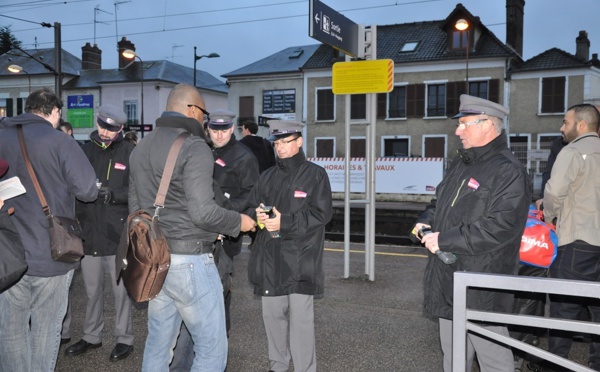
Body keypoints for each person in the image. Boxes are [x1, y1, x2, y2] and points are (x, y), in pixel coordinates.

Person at [128, 83, 256, 371]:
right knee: (212, 348)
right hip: (190, 262)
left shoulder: (141, 147)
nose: (205, 121)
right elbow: (203, 213)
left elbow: (135, 211)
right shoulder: (194, 146)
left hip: (156, 261)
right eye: (204, 113)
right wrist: (240, 222)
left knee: (158, 345)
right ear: (191, 109)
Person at [413, 94, 531, 372]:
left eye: (464, 124)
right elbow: (438, 204)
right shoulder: (461, 163)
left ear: (488, 125)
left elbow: (500, 227)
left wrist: (444, 239)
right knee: (453, 355)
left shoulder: (508, 171)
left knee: (493, 357)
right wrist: (423, 223)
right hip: (448, 275)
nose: (457, 131)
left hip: (481, 280)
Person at [0, 88, 98, 371]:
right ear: (55, 112)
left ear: (28, 109)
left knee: (11, 329)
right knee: (45, 328)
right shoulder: (60, 141)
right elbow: (88, 190)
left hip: (8, 252)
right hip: (52, 254)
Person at [170, 109, 260, 371]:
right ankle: (205, 354)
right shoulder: (201, 150)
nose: (219, 134)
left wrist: (226, 210)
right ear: (207, 128)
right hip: (197, 235)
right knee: (199, 302)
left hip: (222, 240)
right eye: (214, 129)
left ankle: (211, 353)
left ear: (232, 129)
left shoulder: (244, 157)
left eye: (224, 129)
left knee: (214, 301)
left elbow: (252, 199)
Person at [244, 120, 333, 372]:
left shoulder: (315, 174)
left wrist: (285, 222)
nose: (280, 148)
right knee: (272, 318)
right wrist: (257, 217)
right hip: (270, 259)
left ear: (299, 142)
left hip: (300, 261)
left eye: (286, 142)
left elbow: (322, 214)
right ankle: (278, 365)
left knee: (301, 322)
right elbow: (251, 206)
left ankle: (305, 368)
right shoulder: (267, 176)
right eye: (277, 143)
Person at [63, 106, 135, 362]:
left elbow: (138, 191)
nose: (105, 132)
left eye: (112, 129)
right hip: (90, 230)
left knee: (121, 292)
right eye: (103, 126)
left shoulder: (129, 153)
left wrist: (115, 195)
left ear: (121, 130)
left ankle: (124, 338)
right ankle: (92, 335)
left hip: (117, 232)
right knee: (92, 290)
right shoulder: (84, 151)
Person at [542, 103, 600, 372]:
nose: (561, 128)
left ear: (581, 125)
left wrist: (549, 215)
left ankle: (556, 366)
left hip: (577, 242)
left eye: (565, 122)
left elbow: (554, 193)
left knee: (564, 309)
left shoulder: (572, 151)